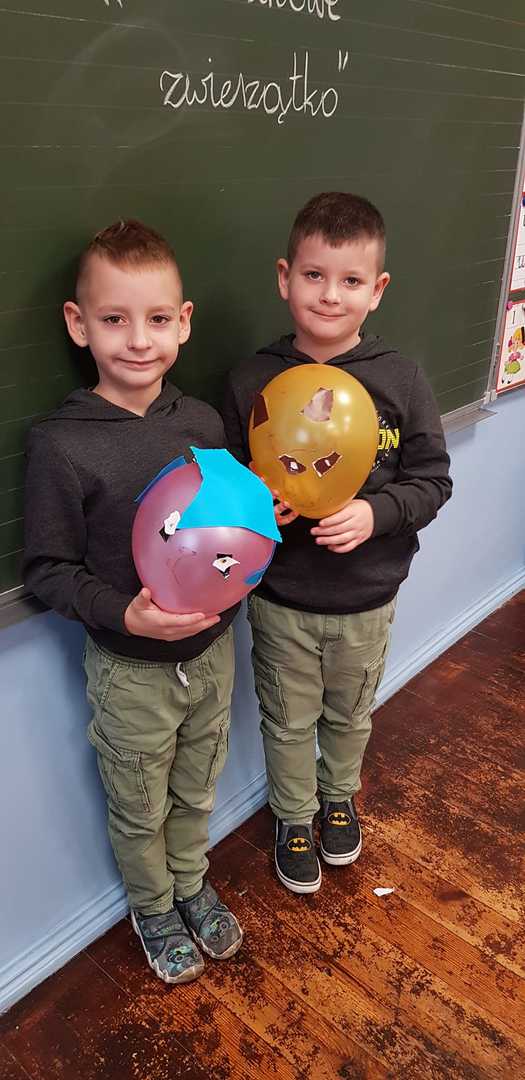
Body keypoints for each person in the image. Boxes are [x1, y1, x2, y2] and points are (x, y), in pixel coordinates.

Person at [23, 220, 243, 982]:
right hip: (130, 671)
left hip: (211, 654)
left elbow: (221, 535)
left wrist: (260, 523)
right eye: (114, 319)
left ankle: (191, 884)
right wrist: (126, 615)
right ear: (78, 323)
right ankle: (153, 907)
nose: (138, 340)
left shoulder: (204, 424)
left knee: (196, 787)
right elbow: (47, 569)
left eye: (156, 318)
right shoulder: (61, 443)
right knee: (139, 801)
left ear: (184, 321)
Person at [222, 192, 452, 894]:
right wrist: (258, 505)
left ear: (376, 290)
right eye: (314, 275)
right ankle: (293, 816)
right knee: (287, 720)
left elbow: (432, 481)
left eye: (350, 280)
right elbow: (225, 487)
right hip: (281, 599)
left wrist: (375, 514)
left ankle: (338, 796)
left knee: (349, 714)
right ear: (284, 277)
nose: (330, 295)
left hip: (366, 599)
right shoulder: (252, 380)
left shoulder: (400, 378)